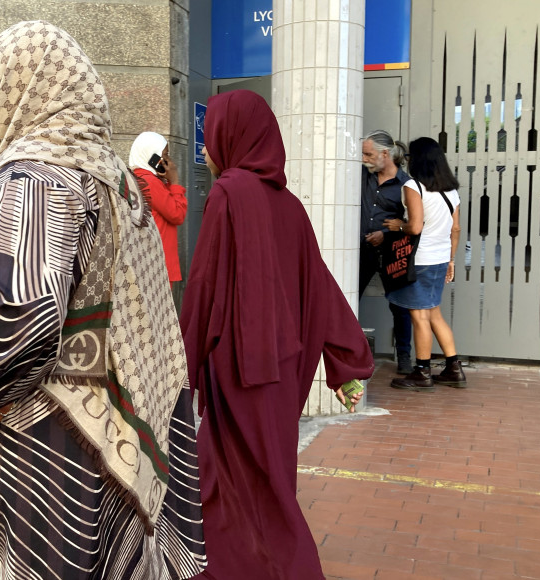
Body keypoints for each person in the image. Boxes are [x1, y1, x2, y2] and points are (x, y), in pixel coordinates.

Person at [0, 21, 205, 580]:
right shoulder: (119, 183)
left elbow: (25, 320)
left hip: (46, 448)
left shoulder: (38, 178)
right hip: (113, 448)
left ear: (16, 87)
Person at [180, 89, 375, 580]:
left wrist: (178, 373)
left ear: (233, 137)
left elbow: (203, 289)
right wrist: (347, 365)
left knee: (240, 487)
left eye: (210, 137)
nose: (205, 148)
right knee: (260, 483)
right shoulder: (289, 205)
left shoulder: (227, 193)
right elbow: (322, 286)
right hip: (282, 375)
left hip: (239, 374)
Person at [384, 137, 466, 390]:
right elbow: (455, 229)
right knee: (434, 314)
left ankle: (422, 371)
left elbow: (415, 226)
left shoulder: (414, 186)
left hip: (419, 261)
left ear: (417, 160)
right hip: (440, 258)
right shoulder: (451, 191)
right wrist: (451, 260)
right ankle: (454, 368)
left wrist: (399, 225)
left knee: (419, 316)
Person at [360, 130, 414, 374]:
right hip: (362, 251)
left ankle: (404, 355)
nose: (364, 158)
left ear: (385, 154)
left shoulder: (406, 185)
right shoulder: (363, 176)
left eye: (369, 154)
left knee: (399, 305)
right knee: (348, 299)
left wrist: (386, 234)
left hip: (392, 252)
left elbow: (412, 222)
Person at [129, 132, 187, 285]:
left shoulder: (138, 177)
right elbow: (177, 214)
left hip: (148, 261)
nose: (168, 161)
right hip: (159, 264)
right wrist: (174, 180)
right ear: (151, 156)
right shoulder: (150, 182)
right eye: (165, 155)